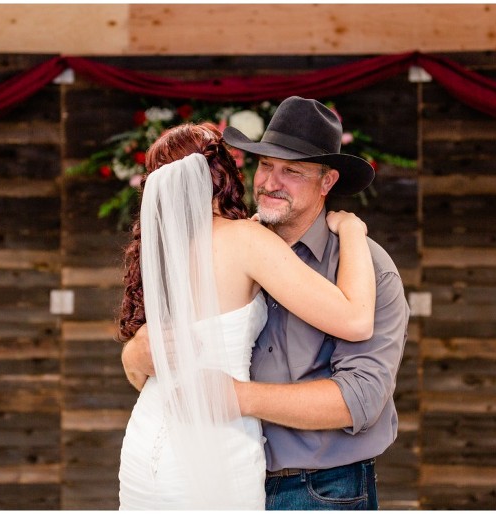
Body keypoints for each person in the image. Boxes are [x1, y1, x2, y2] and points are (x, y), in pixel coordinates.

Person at [116, 121, 377, 510]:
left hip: (146, 434)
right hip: (216, 442)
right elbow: (356, 319)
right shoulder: (246, 240)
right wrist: (355, 232)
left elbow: (149, 362)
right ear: (223, 175)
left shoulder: (159, 251)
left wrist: (132, 355)